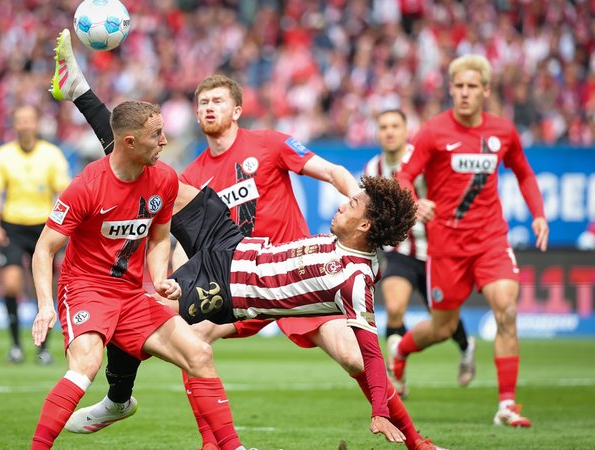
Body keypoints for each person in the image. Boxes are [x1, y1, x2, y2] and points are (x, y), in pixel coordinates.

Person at [49, 29, 443, 450]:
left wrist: (360, 202)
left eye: (217, 100)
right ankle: (184, 429)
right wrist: (173, 278)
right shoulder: (194, 173)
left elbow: (331, 171)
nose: (208, 107)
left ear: (238, 109)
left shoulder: (270, 145)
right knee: (171, 324)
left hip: (295, 286)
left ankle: (415, 441)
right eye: (202, 102)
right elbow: (178, 239)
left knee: (353, 356)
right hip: (230, 265)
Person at [29, 100, 248, 450]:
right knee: (86, 365)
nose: (164, 141)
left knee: (199, 354)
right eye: (156, 134)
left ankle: (232, 448)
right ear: (129, 142)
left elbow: (159, 237)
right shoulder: (86, 186)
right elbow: (44, 249)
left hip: (130, 296)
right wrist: (44, 305)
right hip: (86, 289)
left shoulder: (164, 179)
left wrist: (159, 278)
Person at [158, 176, 438, 449]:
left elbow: (372, 354)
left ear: (365, 225)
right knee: (167, 184)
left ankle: (215, 441)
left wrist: (380, 412)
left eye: (351, 204)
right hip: (231, 242)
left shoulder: (354, 279)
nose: (341, 205)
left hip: (225, 286)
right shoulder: (343, 244)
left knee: (150, 312)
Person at [392, 55, 549, 427]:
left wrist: (538, 213)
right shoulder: (433, 131)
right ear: (450, 89)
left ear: (486, 90)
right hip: (446, 246)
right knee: (443, 328)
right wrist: (416, 202)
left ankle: (506, 405)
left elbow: (525, 174)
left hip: (491, 240)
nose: (464, 93)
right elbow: (404, 176)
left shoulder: (503, 132)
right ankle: (400, 351)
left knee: (506, 310)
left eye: (472, 86)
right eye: (459, 86)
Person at [363, 109, 476, 397]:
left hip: (436, 251)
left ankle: (466, 348)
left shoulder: (425, 159)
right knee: (395, 308)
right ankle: (397, 375)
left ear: (406, 131)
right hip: (400, 250)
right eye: (384, 127)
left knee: (444, 323)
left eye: (395, 126)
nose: (389, 132)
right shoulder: (373, 168)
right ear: (377, 133)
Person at [0, 104, 71, 365]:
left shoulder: (52, 154)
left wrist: (65, 228)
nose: (25, 125)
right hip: (12, 225)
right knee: (11, 284)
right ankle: (15, 345)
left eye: (29, 120)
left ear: (36, 124)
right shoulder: (3, 154)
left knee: (42, 288)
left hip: (44, 228)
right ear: (14, 125)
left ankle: (42, 349)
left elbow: (64, 194)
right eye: (20, 120)